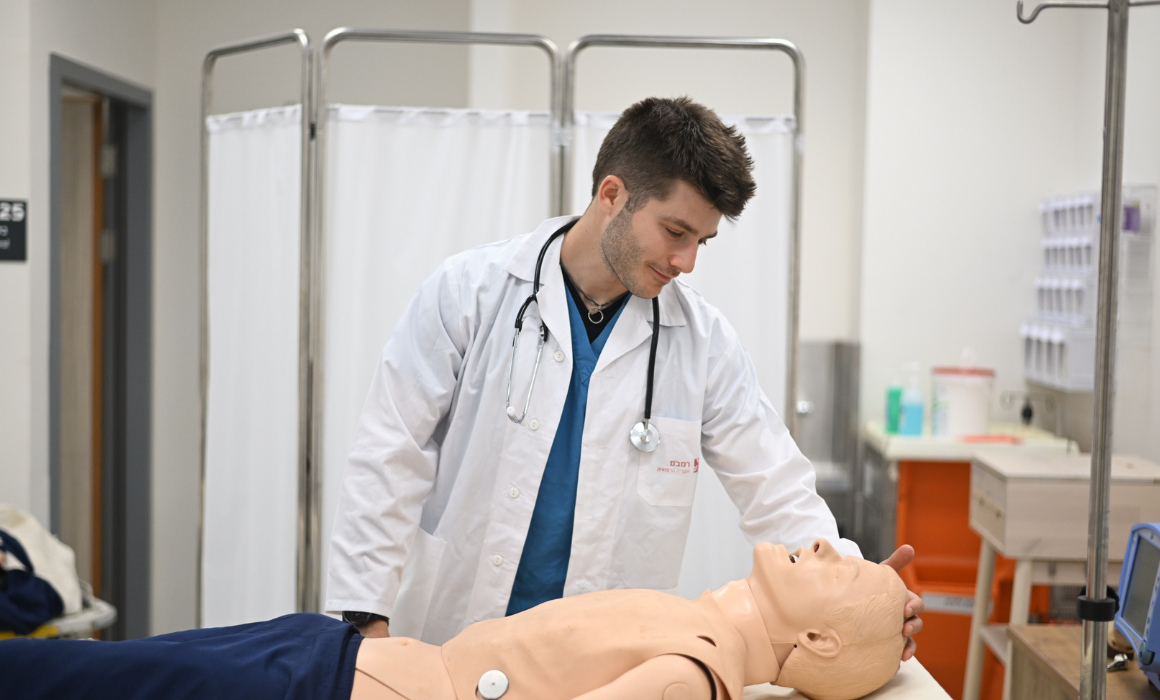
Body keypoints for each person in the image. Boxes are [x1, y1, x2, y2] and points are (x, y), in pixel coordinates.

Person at [325, 96, 923, 653]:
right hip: (452, 635)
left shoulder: (703, 343)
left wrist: (856, 591)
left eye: (702, 242)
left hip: (605, 660)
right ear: (612, 194)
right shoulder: (469, 294)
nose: (686, 263)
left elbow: (776, 484)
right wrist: (364, 620)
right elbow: (389, 456)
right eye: (675, 232)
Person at [0, 539, 909, 700]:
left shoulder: (691, 674)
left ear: (820, 641)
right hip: (331, 657)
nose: (827, 546)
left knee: (80, 681)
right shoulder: (697, 630)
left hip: (323, 685)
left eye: (845, 567)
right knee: (94, 675)